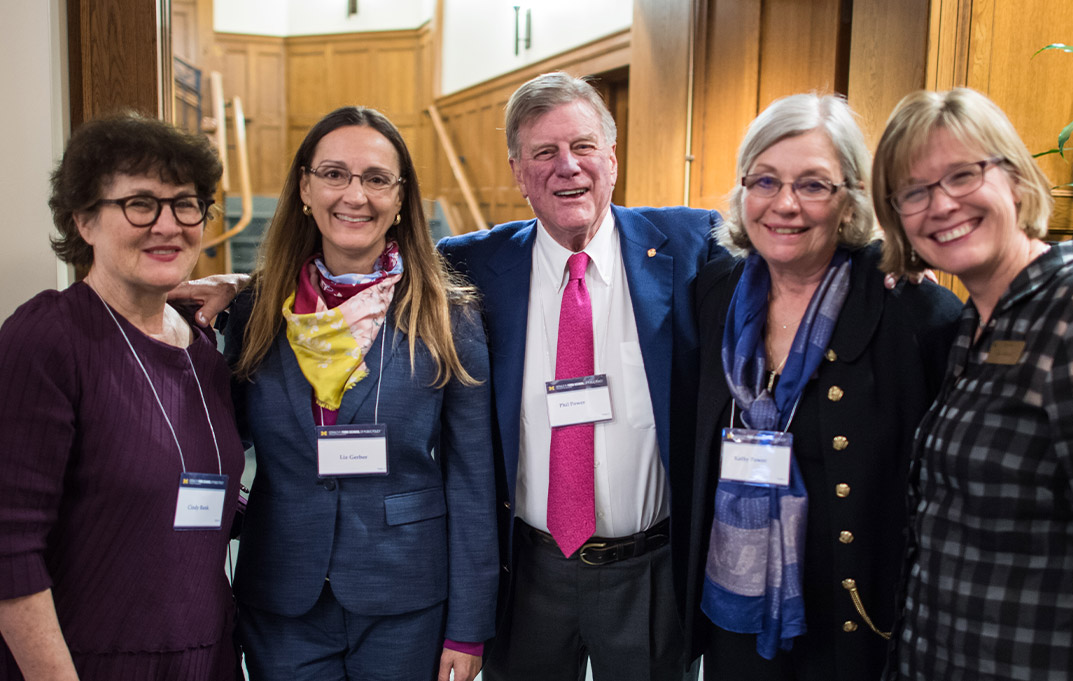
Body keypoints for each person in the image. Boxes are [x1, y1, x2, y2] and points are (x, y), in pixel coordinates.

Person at [438, 71, 722, 681]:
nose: (568, 166)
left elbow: (788, 258)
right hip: (528, 571)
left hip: (649, 571)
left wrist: (873, 267)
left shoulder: (692, 242)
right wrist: (244, 287)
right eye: (544, 152)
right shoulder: (472, 264)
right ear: (519, 172)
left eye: (583, 147)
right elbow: (372, 282)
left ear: (611, 159)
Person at [685, 93, 961, 681]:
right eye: (765, 180)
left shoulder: (911, 313)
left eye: (813, 185)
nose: (784, 205)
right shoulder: (714, 293)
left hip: (852, 623)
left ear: (850, 199)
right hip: (735, 612)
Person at [222, 106, 496, 681]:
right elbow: (218, 442)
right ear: (304, 187)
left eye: (376, 179)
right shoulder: (255, 310)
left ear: (400, 198)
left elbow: (473, 481)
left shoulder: (449, 315)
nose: (355, 195)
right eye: (334, 174)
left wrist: (468, 627)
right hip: (282, 593)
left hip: (406, 597)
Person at [0, 113, 245, 679]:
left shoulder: (203, 346)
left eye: (186, 204)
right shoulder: (49, 338)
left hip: (207, 657)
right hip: (91, 662)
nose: (168, 225)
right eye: (140, 203)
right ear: (84, 219)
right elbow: (9, 547)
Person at [872, 87, 1073, 681]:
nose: (941, 205)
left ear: (1015, 179)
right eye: (914, 192)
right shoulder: (972, 322)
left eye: (963, 175)